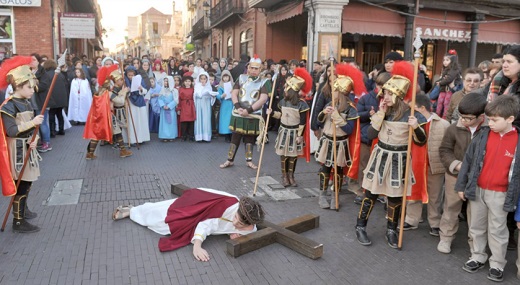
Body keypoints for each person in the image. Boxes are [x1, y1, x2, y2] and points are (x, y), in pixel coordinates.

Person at [355, 61, 427, 249]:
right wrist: (380, 113)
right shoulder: (382, 112)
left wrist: (415, 127)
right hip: (380, 157)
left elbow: (421, 141)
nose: (384, 96)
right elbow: (370, 135)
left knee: (395, 198)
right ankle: (360, 226)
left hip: (400, 160)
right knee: (370, 194)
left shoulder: (413, 114)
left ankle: (391, 230)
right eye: (384, 93)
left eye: (388, 93)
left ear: (398, 95)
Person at [456, 95, 520, 282]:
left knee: (497, 230)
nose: (489, 122)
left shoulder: (517, 141)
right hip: (477, 190)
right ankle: (477, 256)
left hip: (501, 194)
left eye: (494, 120)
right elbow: (468, 161)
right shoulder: (482, 135)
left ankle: (497, 264)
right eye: (489, 118)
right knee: (475, 226)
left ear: (510, 119)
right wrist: (462, 185)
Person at [111, 187, 264, 261]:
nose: (235, 223)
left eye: (240, 224)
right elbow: (206, 224)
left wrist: (233, 234)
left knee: (162, 224)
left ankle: (133, 211)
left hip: (201, 213)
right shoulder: (228, 208)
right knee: (163, 217)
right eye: (236, 218)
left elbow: (243, 230)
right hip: (195, 205)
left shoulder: (250, 228)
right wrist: (197, 246)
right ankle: (132, 211)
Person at [437, 92, 487, 254]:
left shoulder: (487, 130)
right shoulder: (454, 129)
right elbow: (444, 150)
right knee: (451, 208)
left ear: (481, 116)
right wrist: (456, 165)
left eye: (468, 118)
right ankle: (446, 237)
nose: (463, 121)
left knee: (476, 213)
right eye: (461, 116)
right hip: (455, 174)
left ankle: (476, 245)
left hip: (479, 178)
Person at [0, 56, 44, 233]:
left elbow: (31, 129)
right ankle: (18, 221)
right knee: (21, 185)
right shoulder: (8, 106)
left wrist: (35, 139)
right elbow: (12, 131)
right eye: (29, 87)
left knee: (28, 183)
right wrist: (32, 124)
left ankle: (23, 211)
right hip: (16, 150)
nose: (32, 90)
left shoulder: (26, 102)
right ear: (18, 86)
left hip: (27, 147)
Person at [315, 64, 364, 209]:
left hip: (341, 144)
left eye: (335, 90)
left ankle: (334, 197)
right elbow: (319, 120)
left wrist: (337, 117)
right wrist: (324, 113)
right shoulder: (330, 103)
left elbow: (349, 129)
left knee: (338, 171)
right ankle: (322, 196)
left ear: (342, 92)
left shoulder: (351, 109)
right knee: (325, 169)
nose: (332, 92)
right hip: (327, 140)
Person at [401, 94, 450, 236]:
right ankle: (411, 219)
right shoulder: (409, 122)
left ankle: (434, 222)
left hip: (434, 165)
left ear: (422, 108)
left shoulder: (443, 124)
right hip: (415, 163)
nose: (410, 113)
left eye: (413, 109)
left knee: (435, 196)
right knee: (413, 193)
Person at [220, 55, 270, 169]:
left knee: (249, 138)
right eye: (251, 68)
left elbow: (263, 99)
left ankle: (249, 160)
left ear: (260, 69)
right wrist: (238, 107)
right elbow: (234, 93)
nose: (253, 70)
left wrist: (249, 110)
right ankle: (229, 160)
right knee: (235, 138)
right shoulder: (241, 78)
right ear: (248, 67)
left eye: (256, 68)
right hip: (239, 112)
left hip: (252, 114)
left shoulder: (264, 82)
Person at [268, 68, 312, 187]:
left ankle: (291, 176)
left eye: (286, 86)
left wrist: (299, 136)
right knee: (284, 154)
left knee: (293, 155)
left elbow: (302, 122)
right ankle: (284, 176)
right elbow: (280, 115)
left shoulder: (302, 104)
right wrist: (271, 113)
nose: (284, 88)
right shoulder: (282, 102)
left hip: (294, 132)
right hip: (283, 131)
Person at [352, 72, 390, 204]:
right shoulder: (366, 98)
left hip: (382, 139)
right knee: (364, 165)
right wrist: (369, 114)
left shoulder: (392, 100)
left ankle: (378, 192)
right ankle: (362, 190)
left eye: (383, 86)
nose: (380, 89)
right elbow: (357, 114)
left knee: (379, 167)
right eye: (379, 85)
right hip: (366, 136)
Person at [83, 65, 132, 159]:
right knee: (117, 132)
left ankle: (90, 153)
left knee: (97, 135)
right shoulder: (108, 93)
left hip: (99, 117)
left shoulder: (98, 92)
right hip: (108, 116)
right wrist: (124, 92)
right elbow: (120, 101)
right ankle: (123, 151)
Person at [124, 66, 150, 144]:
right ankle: (133, 140)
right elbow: (122, 93)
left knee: (141, 120)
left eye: (133, 75)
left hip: (140, 102)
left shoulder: (140, 80)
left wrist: (141, 88)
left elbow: (145, 91)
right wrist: (126, 91)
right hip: (130, 103)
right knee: (133, 122)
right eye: (129, 75)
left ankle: (142, 138)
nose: (131, 77)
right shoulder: (125, 82)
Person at [433, 50, 462, 118]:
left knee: (446, 103)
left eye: (447, 60)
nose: (444, 62)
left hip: (450, 89)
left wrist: (440, 82)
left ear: (452, 61)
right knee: (440, 102)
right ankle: (437, 115)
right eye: (444, 60)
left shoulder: (454, 69)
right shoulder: (445, 69)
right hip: (444, 89)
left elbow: (449, 79)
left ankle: (444, 117)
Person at [194, 71, 216, 142]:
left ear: (207, 79)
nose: (203, 80)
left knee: (206, 119)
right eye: (201, 79)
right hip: (199, 103)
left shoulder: (208, 86)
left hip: (206, 104)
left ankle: (206, 136)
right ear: (199, 79)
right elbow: (194, 95)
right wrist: (199, 94)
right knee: (199, 119)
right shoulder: (197, 85)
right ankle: (199, 136)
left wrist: (212, 96)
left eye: (204, 79)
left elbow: (211, 96)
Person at [158, 76, 178, 141]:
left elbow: (176, 100)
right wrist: (163, 105)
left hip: (171, 109)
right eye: (165, 81)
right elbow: (159, 99)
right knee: (164, 123)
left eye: (167, 81)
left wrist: (169, 106)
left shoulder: (174, 91)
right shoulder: (162, 89)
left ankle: (171, 136)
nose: (165, 82)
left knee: (171, 122)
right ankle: (164, 136)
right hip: (164, 109)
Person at [216, 70, 234, 142]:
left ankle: (232, 134)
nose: (226, 79)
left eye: (227, 77)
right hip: (225, 104)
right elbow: (218, 95)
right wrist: (221, 96)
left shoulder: (233, 85)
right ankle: (226, 135)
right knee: (225, 120)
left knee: (231, 119)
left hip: (232, 104)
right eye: (224, 77)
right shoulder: (220, 86)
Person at [178, 76, 196, 141]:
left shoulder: (193, 89)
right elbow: (179, 99)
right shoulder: (181, 89)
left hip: (191, 105)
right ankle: (184, 135)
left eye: (189, 81)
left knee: (191, 121)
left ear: (191, 82)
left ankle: (191, 135)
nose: (187, 83)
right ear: (183, 82)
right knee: (184, 121)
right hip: (183, 105)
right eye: (186, 81)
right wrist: (179, 108)